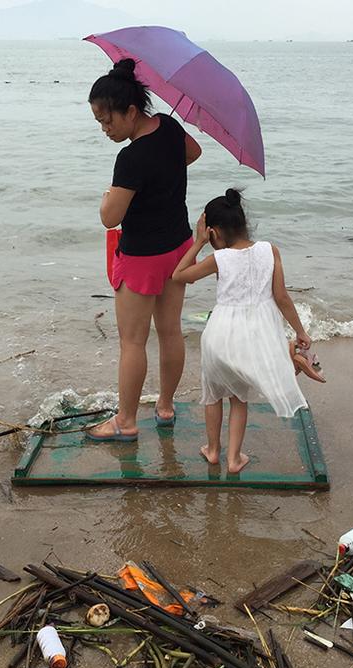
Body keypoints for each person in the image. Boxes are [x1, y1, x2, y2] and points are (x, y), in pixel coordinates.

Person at [85, 58, 202, 442]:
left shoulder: (130, 158)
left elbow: (110, 218)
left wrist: (106, 198)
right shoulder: (168, 126)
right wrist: (164, 173)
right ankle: (165, 408)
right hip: (178, 247)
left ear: (131, 111)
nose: (103, 129)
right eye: (99, 122)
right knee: (170, 332)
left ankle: (126, 422)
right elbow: (194, 152)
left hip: (142, 258)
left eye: (107, 120)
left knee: (132, 341)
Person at [172, 189, 311, 473]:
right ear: (244, 222)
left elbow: (179, 275)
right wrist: (301, 332)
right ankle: (234, 459)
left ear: (215, 232)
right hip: (252, 338)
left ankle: (212, 451)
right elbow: (282, 298)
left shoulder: (218, 259)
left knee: (213, 395)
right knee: (239, 398)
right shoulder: (269, 250)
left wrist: (198, 243)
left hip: (220, 334)